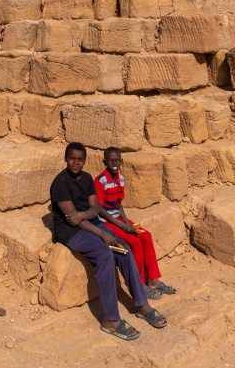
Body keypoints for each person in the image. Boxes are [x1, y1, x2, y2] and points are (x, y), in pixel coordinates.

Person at [50, 142, 167, 340]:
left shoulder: (87, 178)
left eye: (80, 159)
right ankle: (111, 319)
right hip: (72, 232)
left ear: (84, 161)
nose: (76, 162)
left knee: (123, 249)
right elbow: (72, 219)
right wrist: (102, 233)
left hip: (90, 222)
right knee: (105, 254)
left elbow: (95, 209)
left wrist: (84, 214)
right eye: (72, 158)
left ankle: (141, 304)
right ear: (66, 159)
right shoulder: (60, 183)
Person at [94, 147, 177, 298]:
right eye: (111, 160)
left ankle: (153, 279)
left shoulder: (121, 179)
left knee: (146, 236)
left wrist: (127, 222)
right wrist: (122, 226)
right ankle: (140, 284)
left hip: (118, 219)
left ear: (121, 162)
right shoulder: (101, 181)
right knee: (135, 242)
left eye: (117, 160)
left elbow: (118, 204)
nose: (114, 163)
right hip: (106, 221)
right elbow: (99, 209)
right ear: (104, 162)